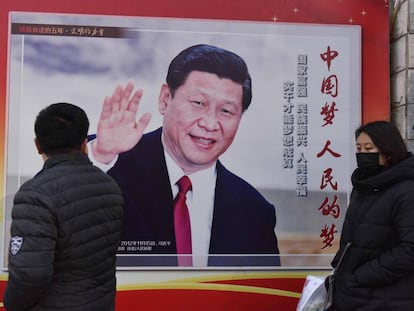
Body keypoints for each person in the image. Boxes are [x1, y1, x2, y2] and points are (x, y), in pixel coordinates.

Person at [89, 44, 280, 267]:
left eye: (226, 111)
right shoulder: (108, 162)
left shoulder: (255, 212)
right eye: (198, 103)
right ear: (165, 99)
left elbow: (263, 297)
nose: (209, 124)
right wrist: (100, 157)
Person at [3, 103, 124, 311]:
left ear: (38, 145)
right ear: (84, 143)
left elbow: (30, 274)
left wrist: (12, 305)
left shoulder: (35, 195)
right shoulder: (108, 185)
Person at [329, 120, 414, 310]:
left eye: (369, 149)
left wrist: (360, 277)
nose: (362, 155)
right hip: (357, 296)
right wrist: (341, 270)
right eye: (359, 149)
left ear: (389, 152)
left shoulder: (406, 190)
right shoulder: (364, 187)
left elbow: (409, 250)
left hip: (387, 298)